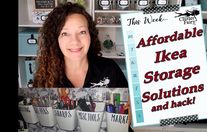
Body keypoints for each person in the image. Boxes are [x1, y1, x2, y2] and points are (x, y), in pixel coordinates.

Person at [32, 2, 133, 131]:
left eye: (82, 32)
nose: (75, 41)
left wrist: (126, 117)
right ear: (55, 39)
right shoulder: (45, 78)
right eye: (65, 33)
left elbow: (127, 110)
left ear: (90, 35)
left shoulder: (110, 69)